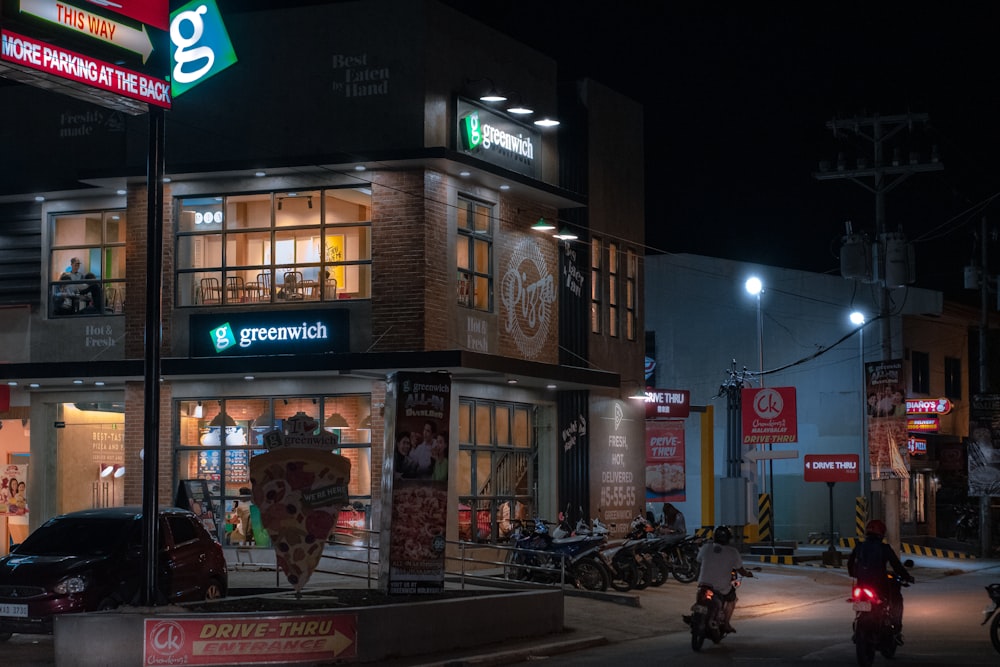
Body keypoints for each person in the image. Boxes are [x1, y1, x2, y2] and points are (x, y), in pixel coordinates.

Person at [847, 519, 913, 641]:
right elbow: (896, 566)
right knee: (896, 599)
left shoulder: (859, 546)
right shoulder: (884, 548)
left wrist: (855, 574)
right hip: (879, 585)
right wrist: (907, 577)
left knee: (860, 602)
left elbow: (850, 563)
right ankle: (896, 628)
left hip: (861, 584)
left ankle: (857, 632)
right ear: (881, 533)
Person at [695, 525, 752, 633]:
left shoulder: (706, 547)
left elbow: (698, 560)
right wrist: (748, 574)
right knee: (732, 598)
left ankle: (696, 615)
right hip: (720, 587)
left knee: (700, 595)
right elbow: (740, 570)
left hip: (703, 583)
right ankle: (726, 624)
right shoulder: (733, 552)